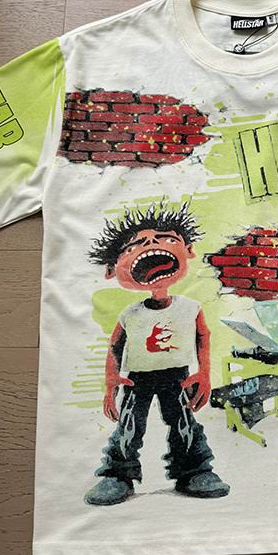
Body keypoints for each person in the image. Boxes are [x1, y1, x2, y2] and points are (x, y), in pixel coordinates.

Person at [83, 202, 229, 506]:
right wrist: (111, 382)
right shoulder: (130, 314)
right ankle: (117, 474)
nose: (150, 243)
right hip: (136, 379)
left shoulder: (190, 307)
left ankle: (194, 471)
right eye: (134, 245)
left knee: (184, 422)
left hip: (177, 376)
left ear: (188, 250)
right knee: (129, 425)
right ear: (111, 270)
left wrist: (204, 374)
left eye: (165, 238)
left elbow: (203, 336)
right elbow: (115, 346)